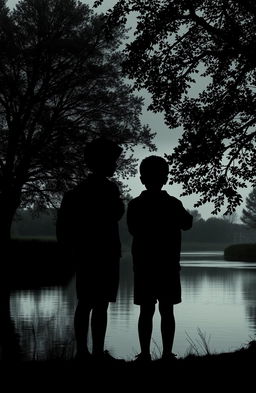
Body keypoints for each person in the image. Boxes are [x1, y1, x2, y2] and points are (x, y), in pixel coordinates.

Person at [56, 138, 125, 362]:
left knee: (85, 303)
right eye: (113, 161)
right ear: (102, 162)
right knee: (99, 305)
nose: (115, 165)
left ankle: (85, 353)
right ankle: (94, 352)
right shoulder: (108, 190)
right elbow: (116, 213)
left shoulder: (75, 193)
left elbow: (63, 230)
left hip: (85, 255)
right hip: (103, 254)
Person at [127, 155, 193, 362]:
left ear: (141, 179)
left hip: (144, 265)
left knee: (146, 311)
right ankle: (166, 354)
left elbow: (132, 229)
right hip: (168, 265)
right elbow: (187, 223)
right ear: (165, 179)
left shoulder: (135, 204)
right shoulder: (173, 204)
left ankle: (145, 354)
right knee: (167, 310)